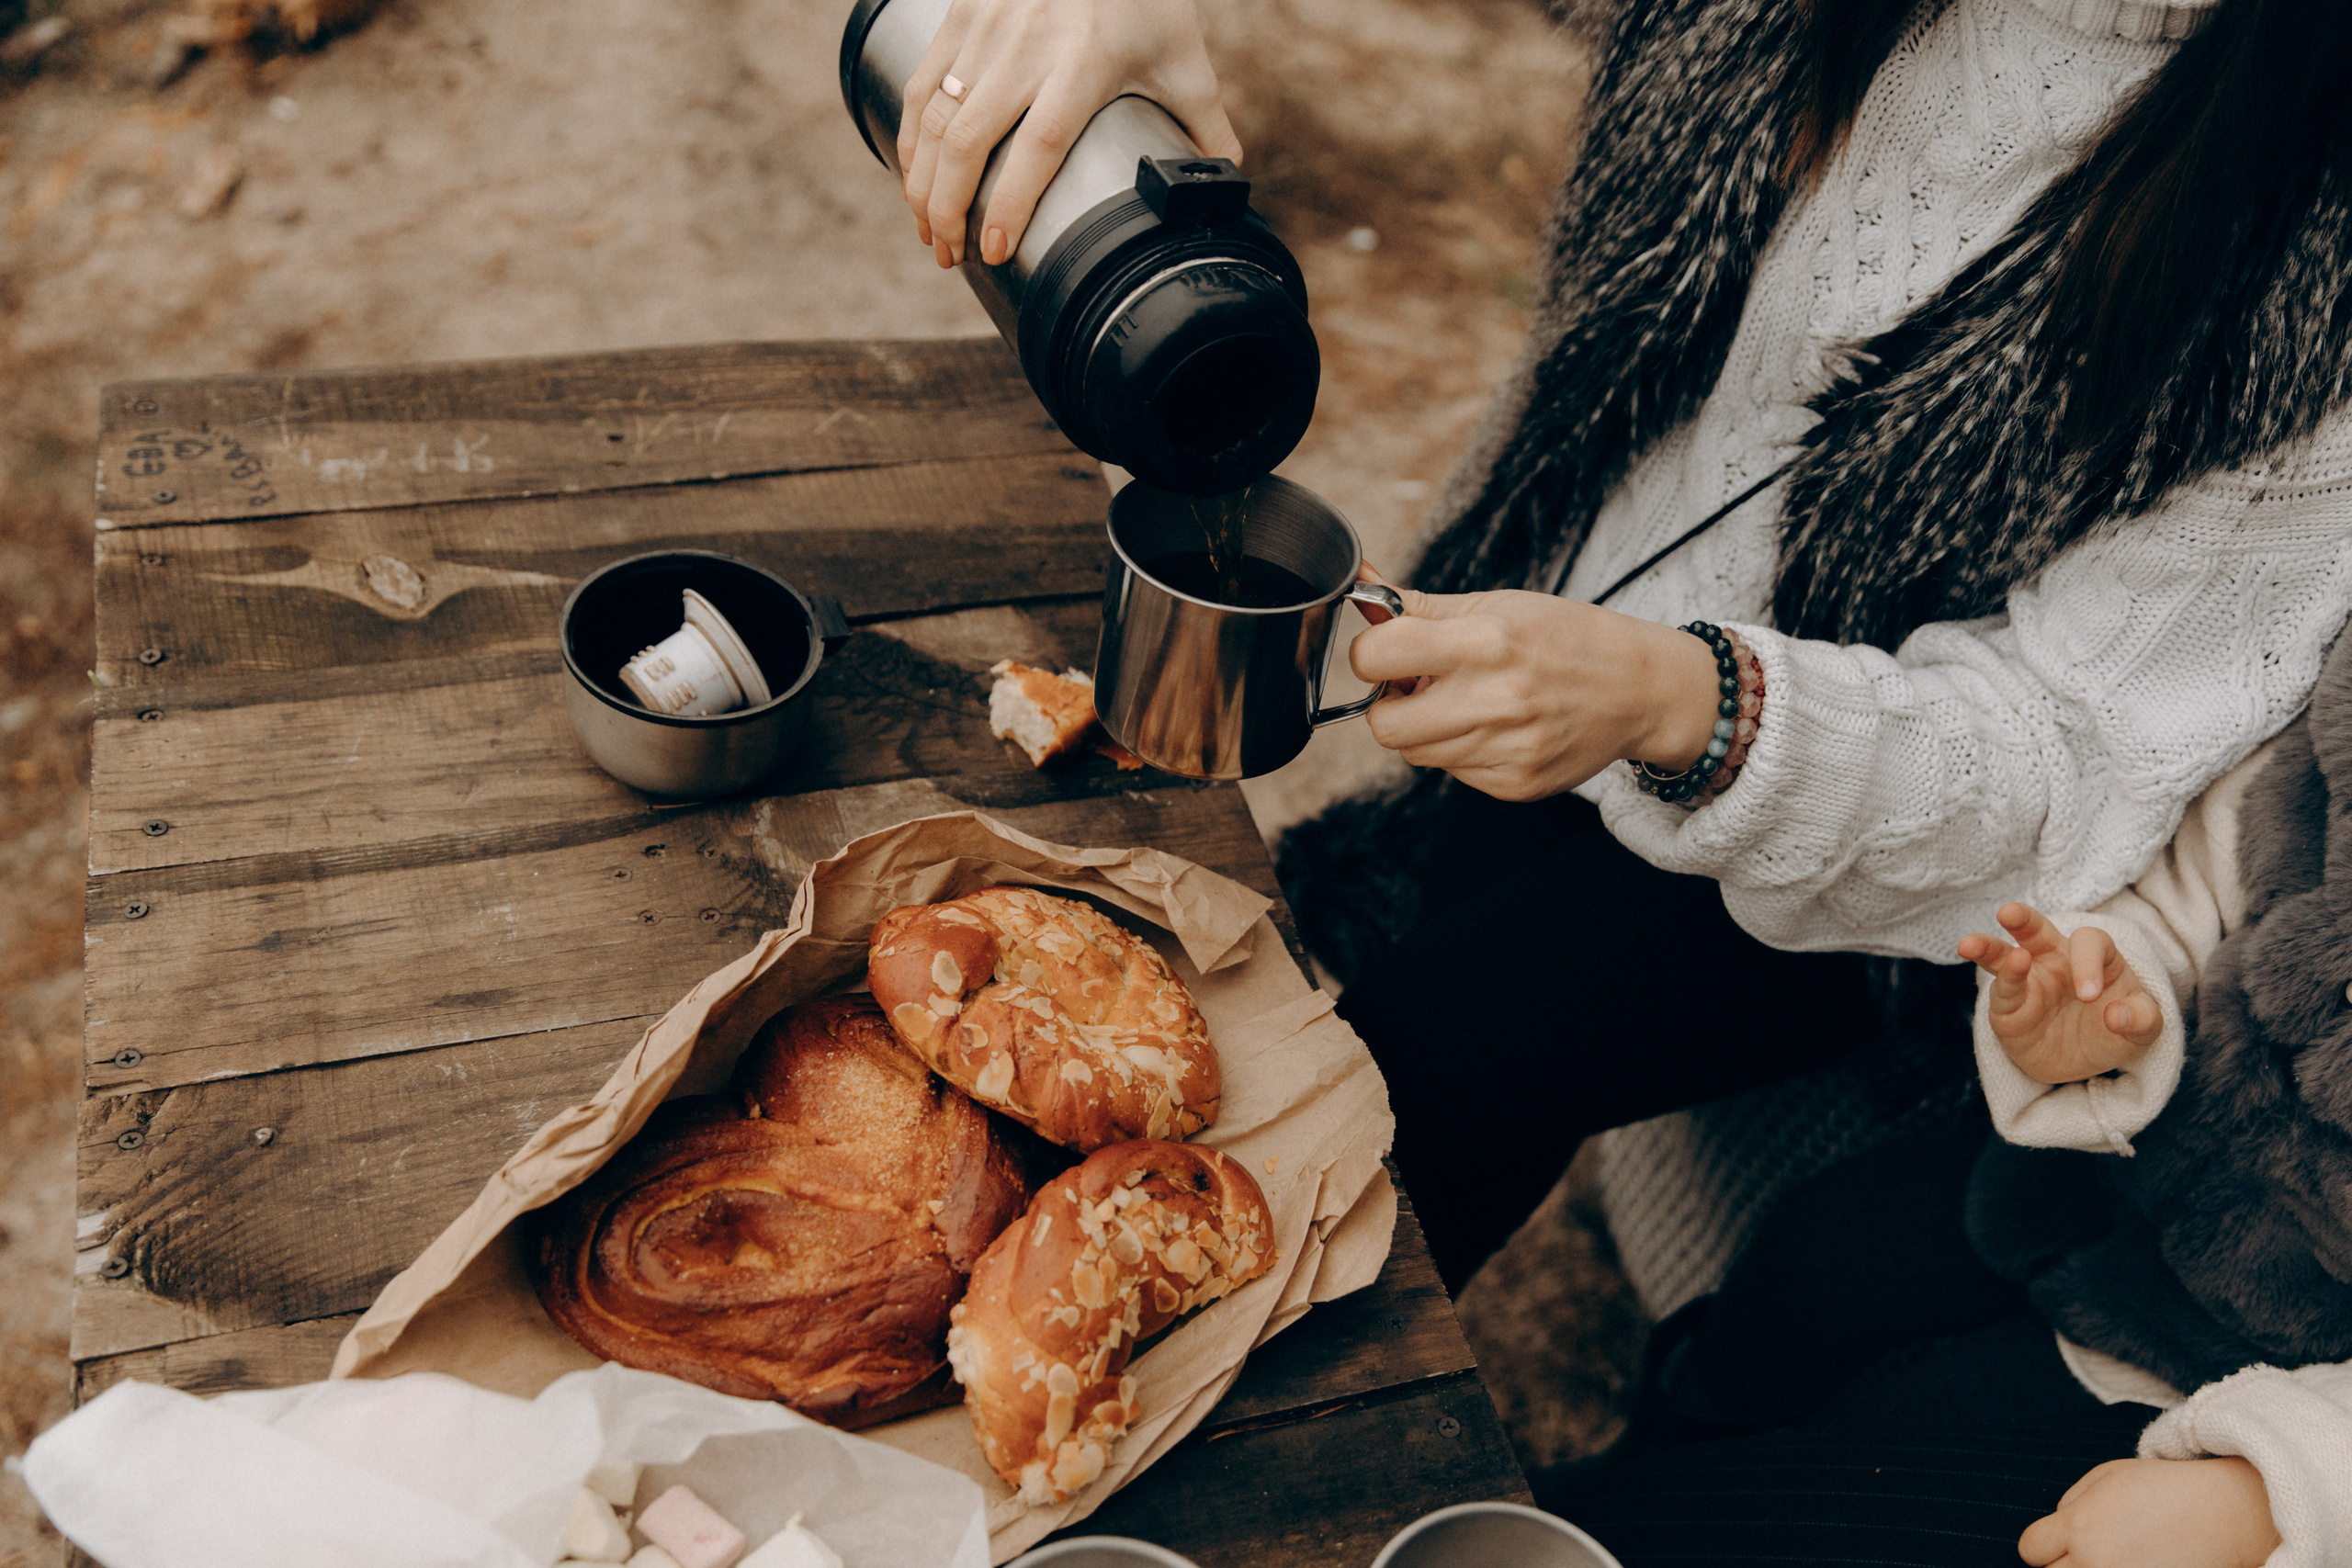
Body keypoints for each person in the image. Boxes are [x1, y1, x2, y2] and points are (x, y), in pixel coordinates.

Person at [892, 0, 2352, 1561]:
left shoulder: (2316, 256)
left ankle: (1217, 1488)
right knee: (1388, 992)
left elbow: (2063, 756)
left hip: (1866, 854)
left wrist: (1686, 703)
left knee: (1413, 1080)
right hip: (1578, 589)